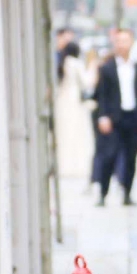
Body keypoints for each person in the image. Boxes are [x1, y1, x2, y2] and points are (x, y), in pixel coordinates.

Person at [91, 28, 137, 206]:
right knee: (109, 155)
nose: (122, 45)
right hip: (113, 119)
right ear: (114, 44)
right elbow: (101, 95)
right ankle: (103, 192)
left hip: (133, 117)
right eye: (119, 41)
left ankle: (127, 192)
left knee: (132, 156)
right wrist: (103, 116)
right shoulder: (107, 68)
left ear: (131, 42)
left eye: (125, 40)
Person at [55, 40, 97, 180]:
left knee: (64, 135)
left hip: (62, 101)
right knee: (78, 135)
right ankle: (76, 166)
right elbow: (87, 82)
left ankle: (63, 166)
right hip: (74, 102)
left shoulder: (63, 62)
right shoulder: (76, 63)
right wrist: (92, 66)